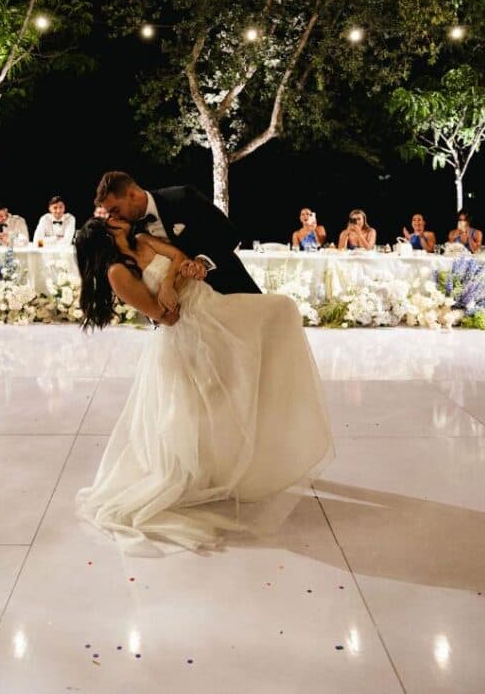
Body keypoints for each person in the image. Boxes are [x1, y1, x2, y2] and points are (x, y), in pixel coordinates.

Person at [74, 214, 334, 555]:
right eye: (108, 222)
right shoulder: (117, 272)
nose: (116, 220)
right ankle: (210, 472)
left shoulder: (143, 242)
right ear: (105, 235)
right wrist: (173, 282)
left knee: (281, 310)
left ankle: (250, 453)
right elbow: (165, 315)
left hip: (214, 305)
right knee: (203, 407)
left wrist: (170, 282)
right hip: (188, 331)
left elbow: (180, 259)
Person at [94, 170, 261, 294]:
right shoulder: (131, 231)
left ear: (133, 195)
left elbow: (229, 234)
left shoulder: (183, 198)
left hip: (228, 286)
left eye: (116, 209)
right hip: (188, 312)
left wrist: (202, 262)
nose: (114, 217)